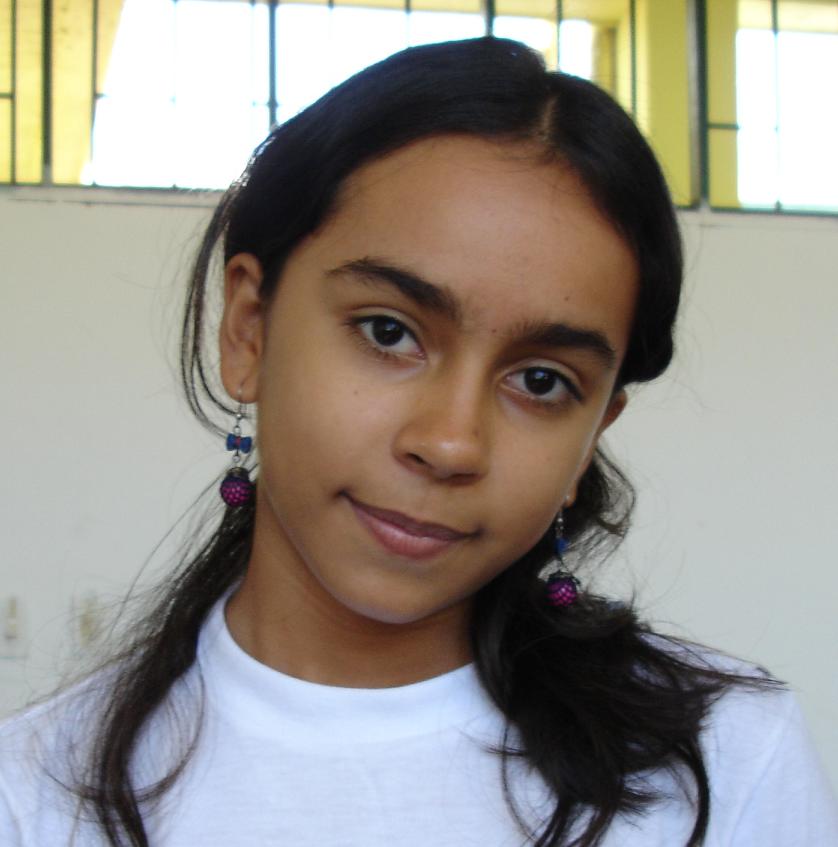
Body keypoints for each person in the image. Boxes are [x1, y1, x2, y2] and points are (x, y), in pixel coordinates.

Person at [1, 36, 836, 847]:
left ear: (590, 439)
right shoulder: (31, 794)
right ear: (249, 330)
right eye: (389, 331)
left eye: (541, 380)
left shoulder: (726, 763)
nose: (450, 443)